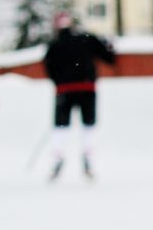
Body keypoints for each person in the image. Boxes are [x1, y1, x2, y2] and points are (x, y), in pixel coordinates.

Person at [42, 12, 117, 181]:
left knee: (61, 125)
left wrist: (59, 82)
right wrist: (110, 45)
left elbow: (48, 66)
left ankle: (58, 158)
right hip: (86, 87)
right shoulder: (87, 39)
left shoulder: (55, 43)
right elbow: (110, 58)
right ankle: (88, 157)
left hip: (65, 90)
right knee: (88, 124)